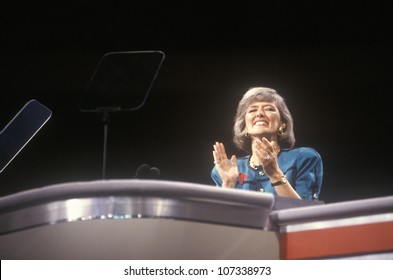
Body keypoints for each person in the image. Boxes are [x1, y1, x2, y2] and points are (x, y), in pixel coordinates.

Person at [211, 87, 322, 200]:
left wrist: (275, 174)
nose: (259, 114)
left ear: (282, 124)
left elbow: (305, 212)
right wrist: (228, 185)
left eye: (269, 109)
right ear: (244, 127)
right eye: (252, 110)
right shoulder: (227, 169)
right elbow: (221, 215)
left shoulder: (302, 158)